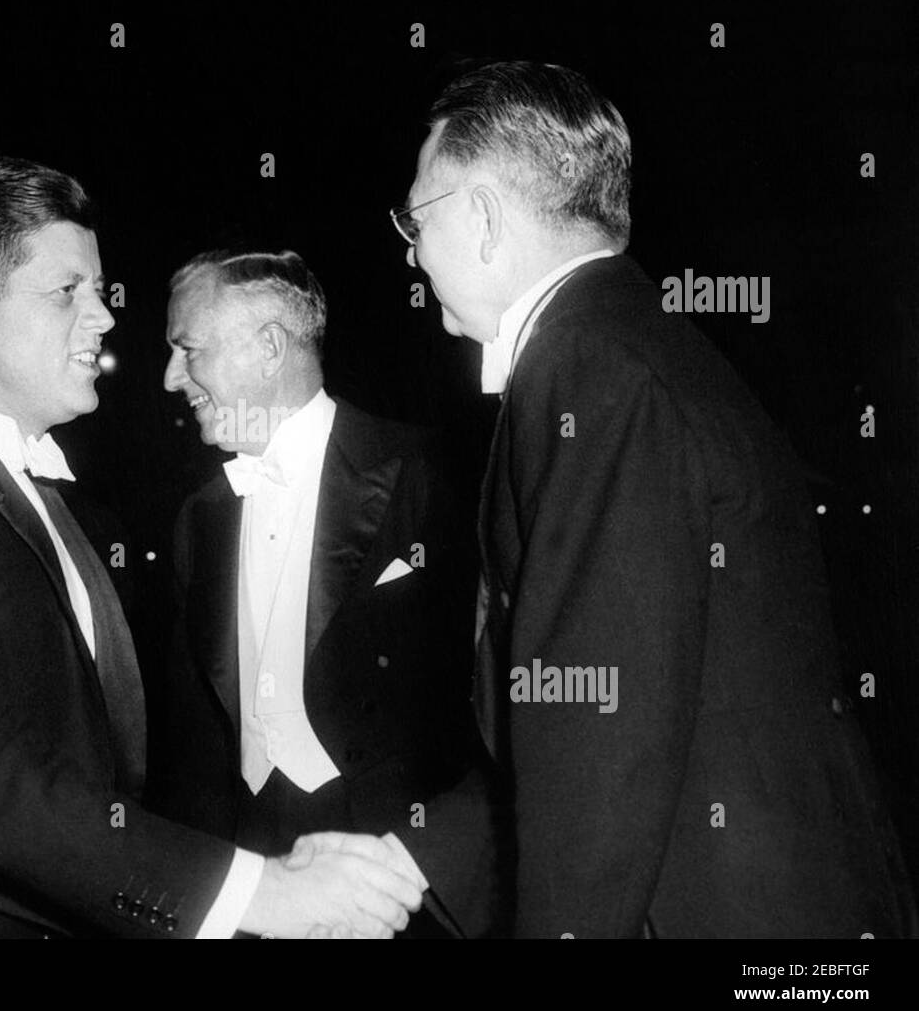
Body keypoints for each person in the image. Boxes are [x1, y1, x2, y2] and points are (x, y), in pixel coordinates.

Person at [307, 60, 915, 937]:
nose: (408, 248)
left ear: (480, 218)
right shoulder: (630, 344)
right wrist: (409, 857)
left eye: (416, 217)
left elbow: (602, 742)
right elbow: (607, 714)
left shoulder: (589, 371)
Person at [0, 156, 421, 939]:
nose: (107, 318)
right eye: (67, 292)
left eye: (98, 290)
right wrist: (257, 891)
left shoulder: (33, 490)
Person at [151, 250, 495, 937]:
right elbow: (193, 748)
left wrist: (434, 863)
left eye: (188, 349)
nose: (170, 378)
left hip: (404, 886)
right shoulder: (199, 517)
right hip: (253, 882)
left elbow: (501, 714)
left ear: (270, 346)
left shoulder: (432, 477)